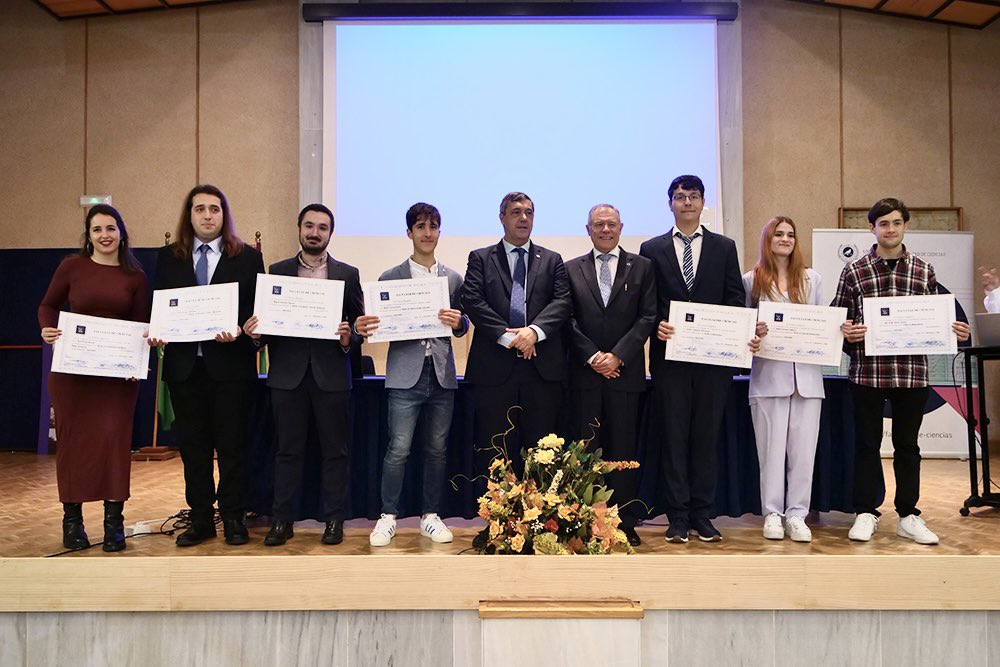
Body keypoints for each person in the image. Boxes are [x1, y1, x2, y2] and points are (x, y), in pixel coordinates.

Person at [832, 197, 970, 545]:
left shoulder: (924, 270)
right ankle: (866, 511)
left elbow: (938, 320)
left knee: (908, 446)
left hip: (912, 375)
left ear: (904, 225)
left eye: (896, 223)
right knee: (866, 444)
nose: (890, 229)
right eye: (883, 224)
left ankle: (908, 514)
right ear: (872, 229)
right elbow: (837, 319)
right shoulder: (854, 270)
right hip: (867, 374)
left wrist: (953, 331)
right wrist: (845, 330)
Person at [639, 174, 756, 543]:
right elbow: (647, 301)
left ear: (704, 202)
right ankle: (676, 516)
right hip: (669, 359)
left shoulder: (724, 247)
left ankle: (702, 514)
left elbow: (735, 299)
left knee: (705, 438)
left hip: (713, 361)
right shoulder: (651, 248)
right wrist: (657, 323)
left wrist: (737, 336)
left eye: (693, 196)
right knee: (674, 438)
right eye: (679, 196)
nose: (686, 202)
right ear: (670, 203)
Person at [149, 185, 264, 547]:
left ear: (224, 215)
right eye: (200, 209)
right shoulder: (170, 257)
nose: (208, 215)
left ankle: (233, 518)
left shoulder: (246, 257)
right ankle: (200, 519)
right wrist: (158, 332)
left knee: (232, 448)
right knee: (193, 449)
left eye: (215, 209)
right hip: (185, 370)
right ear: (190, 215)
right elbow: (162, 307)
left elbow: (254, 311)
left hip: (231, 368)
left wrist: (242, 330)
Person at [244, 203, 363, 546]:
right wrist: (255, 335)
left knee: (335, 452)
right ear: (299, 229)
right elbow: (265, 327)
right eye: (309, 226)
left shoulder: (347, 273)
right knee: (287, 452)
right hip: (287, 377)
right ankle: (282, 521)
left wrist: (348, 337)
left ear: (330, 233)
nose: (315, 232)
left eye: (322, 227)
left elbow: (358, 325)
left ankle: (334, 520)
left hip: (332, 377)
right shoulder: (277, 271)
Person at [354, 203, 470, 547]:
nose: (427, 233)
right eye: (420, 227)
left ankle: (430, 516)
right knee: (399, 449)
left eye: (433, 226)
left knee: (437, 450)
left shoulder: (453, 278)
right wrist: (364, 328)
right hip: (405, 376)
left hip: (442, 374)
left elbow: (463, 327)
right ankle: (388, 516)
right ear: (409, 233)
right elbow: (373, 327)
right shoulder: (390, 278)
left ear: (439, 231)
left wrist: (459, 322)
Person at [38, 204, 150, 552]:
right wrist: (47, 329)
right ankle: (72, 524)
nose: (105, 235)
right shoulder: (71, 267)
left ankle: (113, 525)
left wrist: (135, 363)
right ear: (88, 235)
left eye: (111, 228)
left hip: (116, 380)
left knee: (114, 444)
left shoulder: (135, 275)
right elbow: (47, 306)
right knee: (72, 447)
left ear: (121, 232)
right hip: (74, 375)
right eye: (97, 229)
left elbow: (142, 326)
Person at [460, 192, 572, 469]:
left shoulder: (552, 259)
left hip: (541, 368)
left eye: (529, 212)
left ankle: (541, 512)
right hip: (494, 370)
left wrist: (533, 332)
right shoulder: (481, 258)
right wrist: (511, 337)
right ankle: (499, 511)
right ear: (502, 218)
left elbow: (562, 301)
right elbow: (472, 301)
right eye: (516, 212)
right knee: (496, 447)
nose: (524, 218)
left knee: (542, 449)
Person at [743, 216, 835, 542]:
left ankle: (797, 515)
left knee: (803, 453)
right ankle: (771, 513)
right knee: (770, 451)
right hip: (768, 377)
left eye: (790, 234)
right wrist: (751, 334)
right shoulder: (750, 280)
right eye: (778, 234)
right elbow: (742, 330)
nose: (784, 239)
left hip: (808, 380)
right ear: (767, 239)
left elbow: (823, 325)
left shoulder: (813, 279)